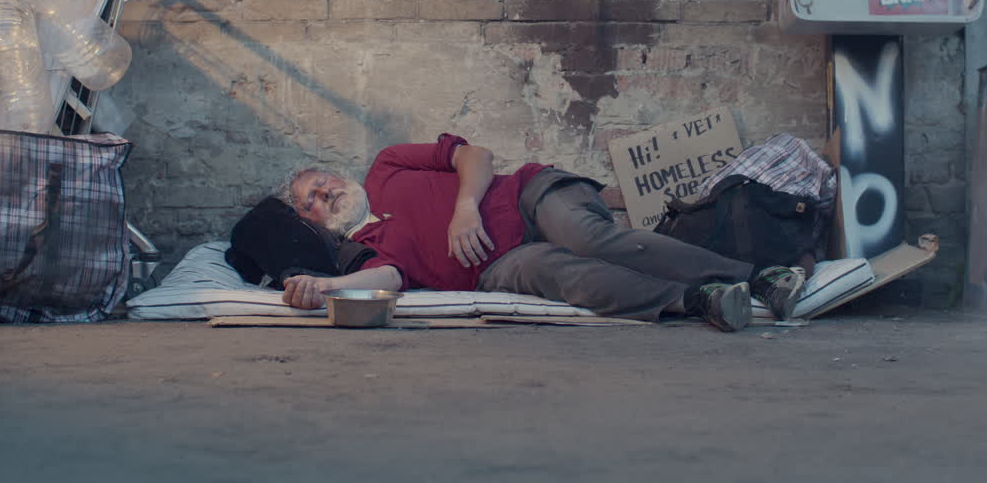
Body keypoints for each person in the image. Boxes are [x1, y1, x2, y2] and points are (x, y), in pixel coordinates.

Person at [277, 133, 805, 331]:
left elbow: (477, 155)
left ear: (337, 173)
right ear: (312, 221)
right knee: (567, 277)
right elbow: (387, 281)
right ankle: (700, 300)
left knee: (587, 238)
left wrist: (466, 208)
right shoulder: (362, 249)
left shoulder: (386, 168)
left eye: (322, 183)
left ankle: (760, 277)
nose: (324, 195)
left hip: (529, 197)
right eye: (313, 203)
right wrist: (322, 288)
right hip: (496, 269)